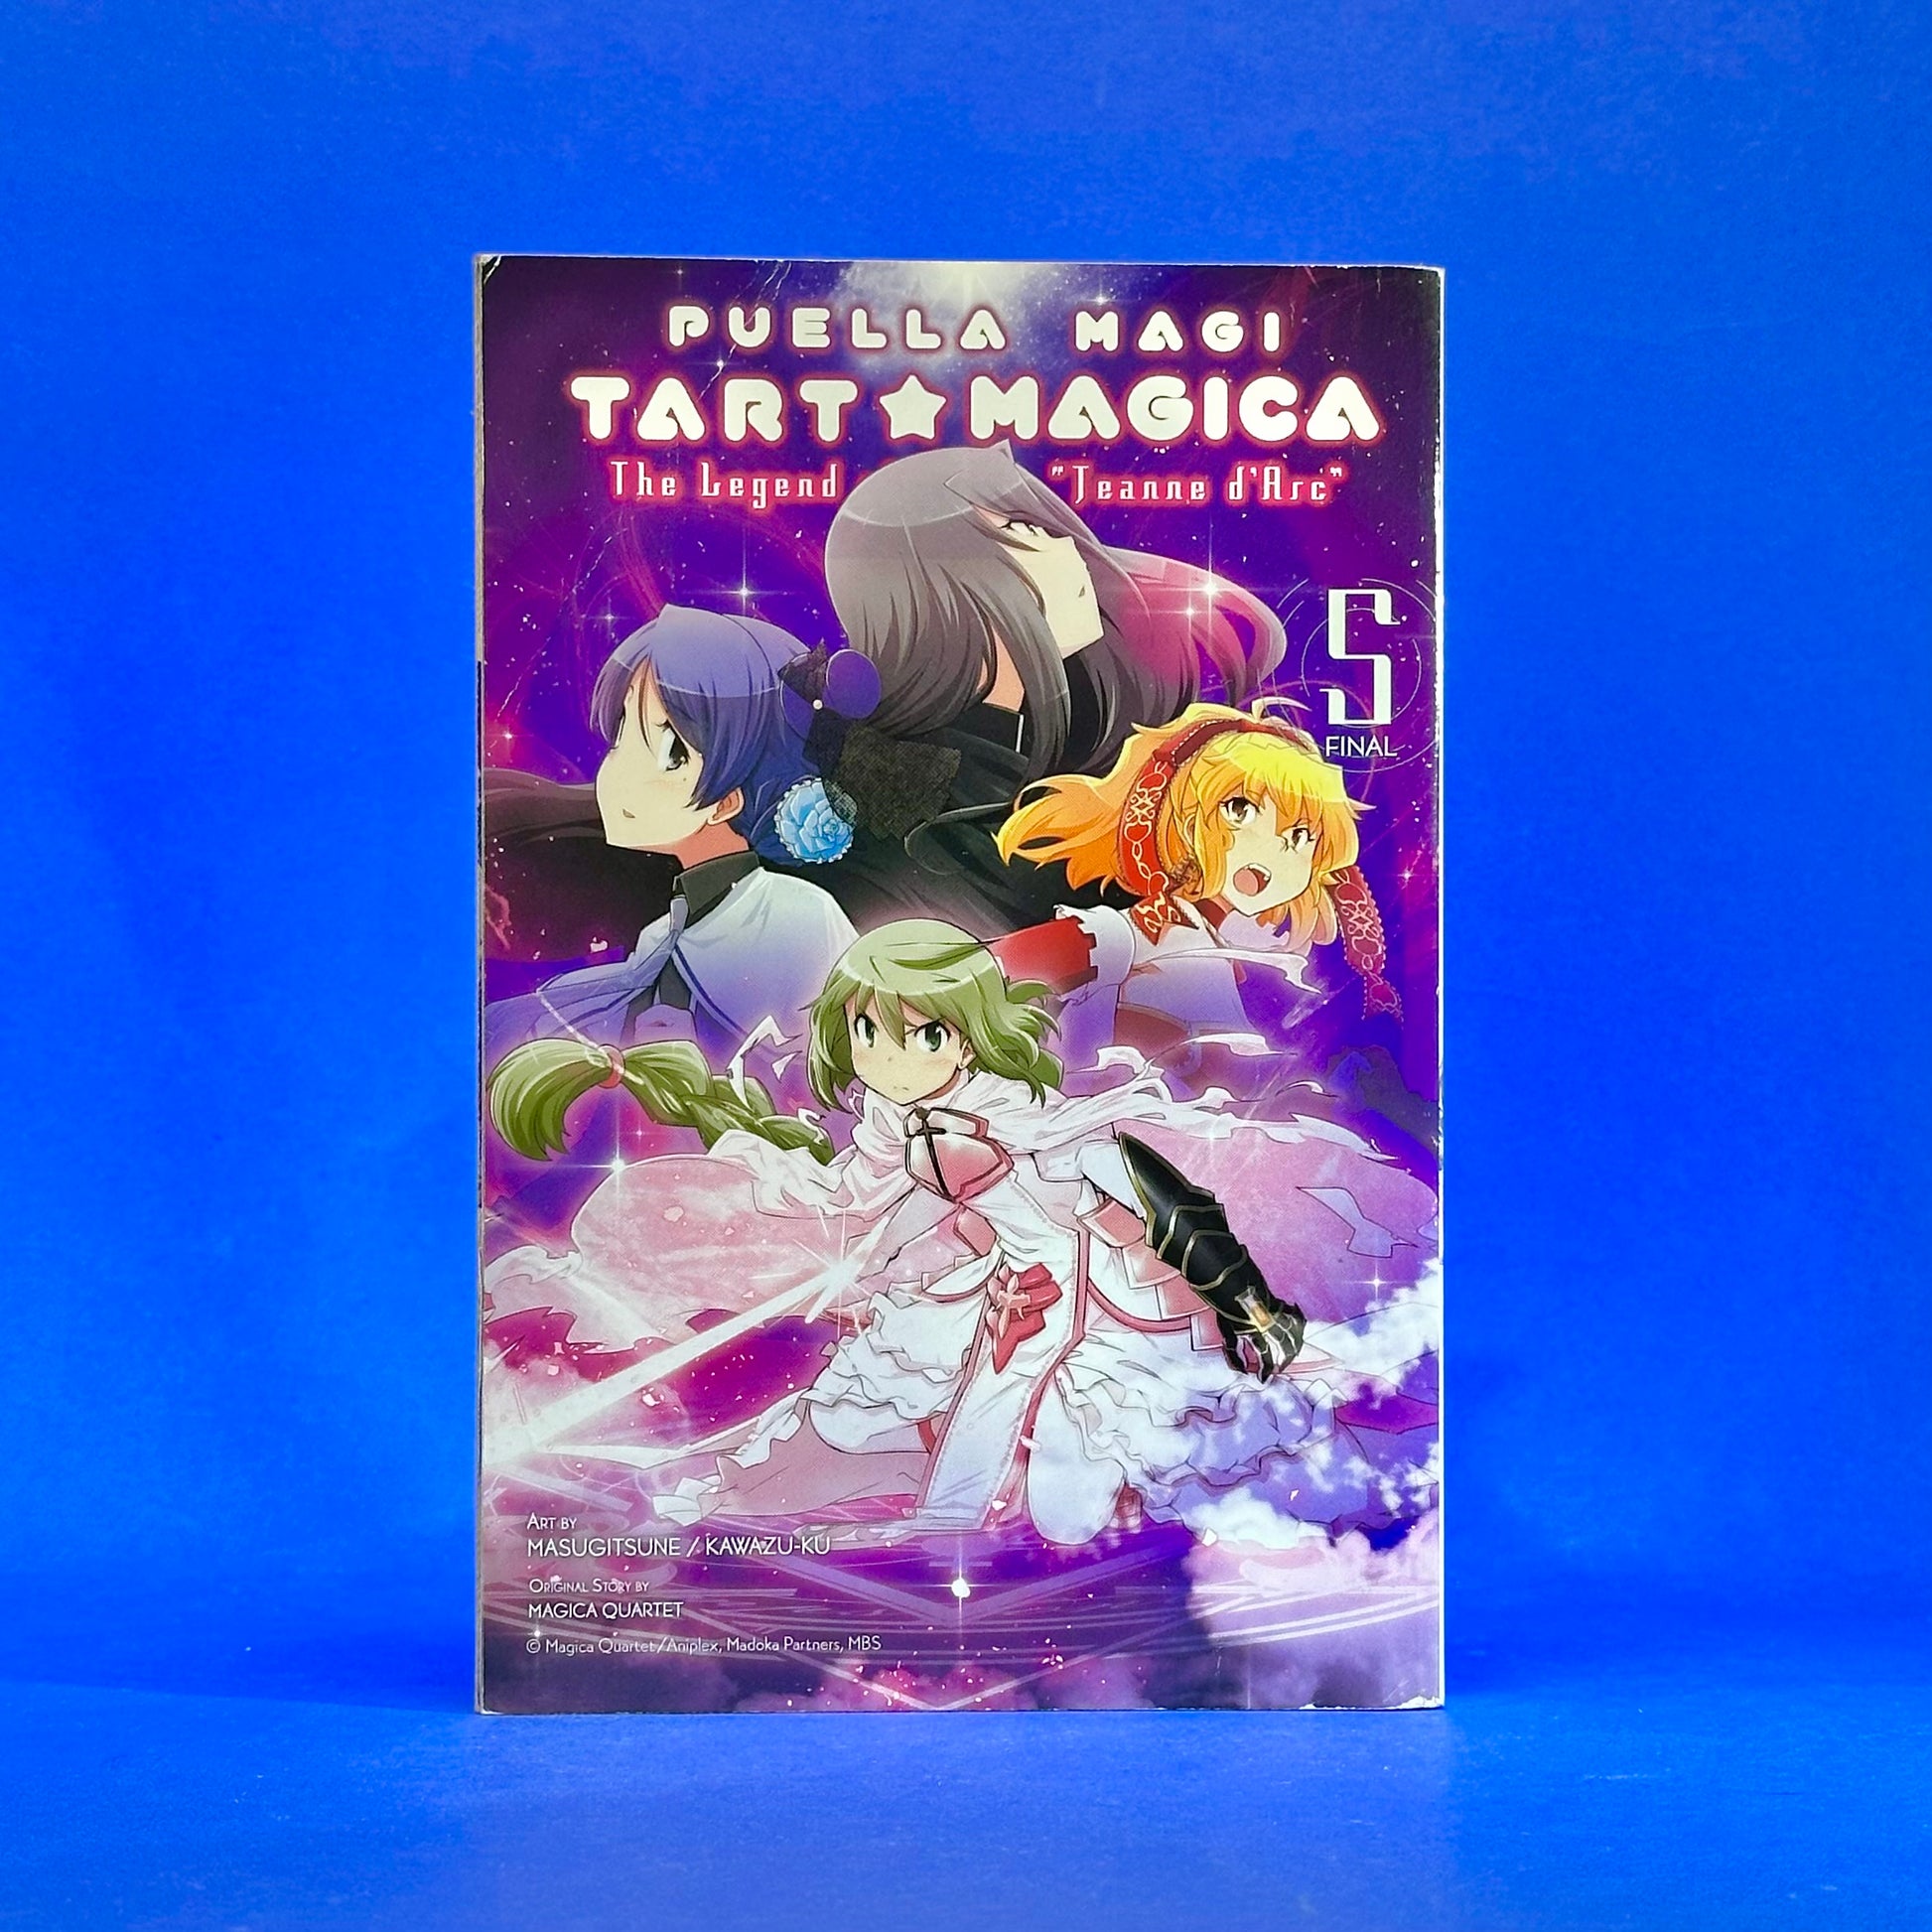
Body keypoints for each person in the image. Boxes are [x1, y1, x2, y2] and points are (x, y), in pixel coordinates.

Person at [485, 921, 1439, 1551]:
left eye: (924, 1036)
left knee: (1069, 1476)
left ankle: (962, 1525)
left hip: (1082, 1295)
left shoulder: (1024, 1122)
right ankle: (743, 1497)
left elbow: (1155, 1191)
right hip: (979, 1290)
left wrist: (1244, 1302)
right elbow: (882, 1205)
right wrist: (864, 1261)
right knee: (856, 1405)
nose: (893, 1059)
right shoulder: (893, 1127)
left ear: (969, 1033)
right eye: (870, 1034)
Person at [811, 444, 1287, 934]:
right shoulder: (893, 821)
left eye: (1046, 527)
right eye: (1021, 529)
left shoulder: (1066, 752)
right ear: (936, 590)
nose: (1068, 550)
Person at [483, 605, 876, 1067]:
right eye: (622, 735)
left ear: (728, 801)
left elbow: (846, 1064)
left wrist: (705, 1061)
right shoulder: (661, 935)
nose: (616, 775)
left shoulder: (801, 917)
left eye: (671, 753)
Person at [991, 703, 1400, 1075]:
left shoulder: (1233, 956)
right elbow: (980, 973)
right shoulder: (1131, 934)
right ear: (1178, 815)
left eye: (1299, 836)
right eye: (1240, 810)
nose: (1272, 848)